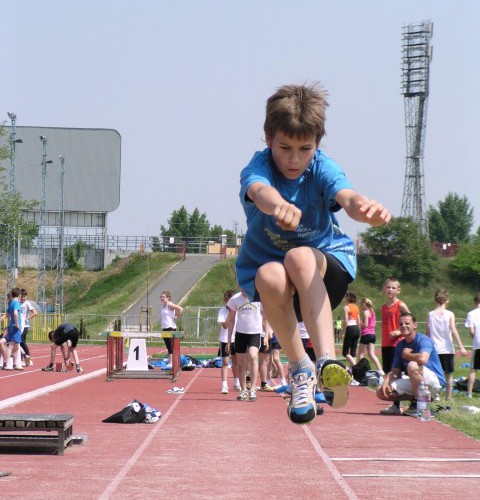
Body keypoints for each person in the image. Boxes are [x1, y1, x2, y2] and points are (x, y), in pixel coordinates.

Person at [236, 82, 391, 424]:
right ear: (267, 138)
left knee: (299, 257)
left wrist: (363, 209)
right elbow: (259, 191)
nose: (294, 159)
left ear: (317, 144)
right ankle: (301, 371)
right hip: (279, 286)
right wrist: (278, 206)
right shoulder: (259, 166)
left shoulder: (322, 166)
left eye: (304, 148)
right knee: (268, 275)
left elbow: (346, 196)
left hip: (324, 269)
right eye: (285, 147)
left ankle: (326, 362)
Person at [376, 312, 445, 417]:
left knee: (412, 365)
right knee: (381, 391)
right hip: (416, 382)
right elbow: (395, 371)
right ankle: (398, 406)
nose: (403, 326)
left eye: (407, 323)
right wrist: (386, 381)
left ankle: (422, 406)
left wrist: (407, 354)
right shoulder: (400, 345)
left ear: (415, 325)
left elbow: (423, 359)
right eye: (401, 324)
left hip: (434, 382)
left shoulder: (423, 340)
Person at [426, 289, 467, 401]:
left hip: (434, 349)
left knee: (434, 374)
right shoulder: (450, 314)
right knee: (448, 374)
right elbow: (453, 330)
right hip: (447, 349)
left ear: (435, 300)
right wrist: (461, 347)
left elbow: (428, 333)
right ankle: (448, 397)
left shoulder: (430, 314)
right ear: (447, 300)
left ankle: (435, 395)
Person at [226, 290, 267, 402]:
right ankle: (243, 390)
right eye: (241, 289)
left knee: (253, 356)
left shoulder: (257, 297)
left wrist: (267, 335)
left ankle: (253, 389)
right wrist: (229, 340)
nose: (244, 292)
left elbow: (264, 316)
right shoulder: (235, 299)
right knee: (241, 363)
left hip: (255, 333)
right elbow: (232, 320)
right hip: (240, 334)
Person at [379, 278, 410, 415]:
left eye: (393, 288)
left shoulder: (400, 305)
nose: (390, 290)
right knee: (388, 374)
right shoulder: (384, 307)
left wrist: (399, 331)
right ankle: (396, 405)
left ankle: (407, 402)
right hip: (386, 343)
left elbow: (409, 320)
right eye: (388, 287)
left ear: (398, 290)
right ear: (384, 289)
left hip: (397, 344)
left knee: (400, 372)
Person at [217, 289, 240, 394]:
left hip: (236, 338)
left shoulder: (238, 311)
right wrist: (230, 314)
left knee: (236, 361)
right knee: (225, 362)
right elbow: (225, 326)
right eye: (227, 300)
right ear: (225, 300)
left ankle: (236, 382)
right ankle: (224, 385)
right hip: (225, 339)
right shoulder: (222, 311)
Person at [0, 288, 24, 370]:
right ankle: (7, 364)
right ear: (19, 295)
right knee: (11, 345)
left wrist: (10, 321)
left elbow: (7, 314)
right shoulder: (16, 303)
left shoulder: (11, 303)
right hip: (15, 327)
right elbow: (15, 314)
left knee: (16, 346)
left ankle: (14, 364)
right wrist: (17, 324)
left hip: (12, 326)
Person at [358, 297, 383, 374]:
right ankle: (380, 370)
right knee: (371, 354)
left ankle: (362, 371)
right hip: (372, 334)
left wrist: (359, 323)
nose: (361, 306)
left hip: (366, 334)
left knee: (361, 354)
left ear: (365, 304)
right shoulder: (372, 312)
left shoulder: (365, 312)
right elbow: (374, 324)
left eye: (362, 304)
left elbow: (365, 324)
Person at [159, 291, 183, 367]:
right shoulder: (163, 306)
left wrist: (177, 317)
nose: (162, 298)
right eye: (161, 297)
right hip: (164, 328)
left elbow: (181, 309)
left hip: (170, 328)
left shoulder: (169, 304)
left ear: (168, 298)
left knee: (170, 345)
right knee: (168, 346)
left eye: (163, 297)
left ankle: (172, 363)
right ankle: (171, 361)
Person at [465, 292, 480, 398]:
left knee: (473, 369)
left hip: (478, 343)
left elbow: (471, 331)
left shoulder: (471, 314)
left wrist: (475, 338)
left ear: (475, 301)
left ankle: (469, 392)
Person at [341, 291, 361, 368]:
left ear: (348, 298)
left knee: (345, 352)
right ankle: (353, 371)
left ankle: (356, 366)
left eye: (345, 296)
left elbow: (346, 321)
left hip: (350, 327)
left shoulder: (346, 307)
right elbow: (358, 321)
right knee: (353, 352)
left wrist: (343, 331)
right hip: (356, 328)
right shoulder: (356, 307)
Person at [20, 289, 38, 367]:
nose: (23, 298)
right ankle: (21, 359)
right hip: (18, 325)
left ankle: (28, 357)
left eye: (24, 296)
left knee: (22, 341)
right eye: (22, 296)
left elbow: (35, 312)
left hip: (25, 325)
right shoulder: (17, 303)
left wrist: (27, 318)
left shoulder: (27, 303)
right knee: (18, 342)